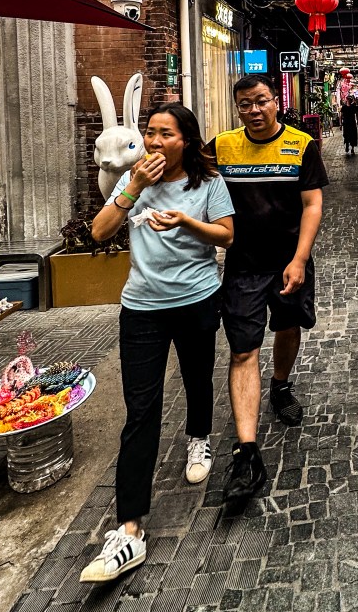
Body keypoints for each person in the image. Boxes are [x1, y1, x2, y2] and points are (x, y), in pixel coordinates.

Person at [80, 104, 234, 582]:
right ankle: (129, 528)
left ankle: (199, 439)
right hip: (142, 306)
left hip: (196, 298)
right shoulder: (133, 182)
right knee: (140, 409)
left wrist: (186, 223)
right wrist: (133, 188)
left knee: (197, 377)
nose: (153, 141)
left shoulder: (208, 184)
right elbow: (99, 232)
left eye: (165, 133)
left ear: (186, 140)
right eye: (149, 132)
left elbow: (226, 236)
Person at [209, 75, 329, 514]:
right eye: (245, 104)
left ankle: (280, 385)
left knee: (288, 324)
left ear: (275, 102)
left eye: (261, 101)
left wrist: (299, 259)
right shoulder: (221, 147)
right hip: (242, 265)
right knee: (243, 350)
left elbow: (312, 204)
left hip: (288, 259)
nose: (254, 110)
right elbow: (189, 178)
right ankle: (247, 451)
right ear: (237, 108)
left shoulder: (300, 145)